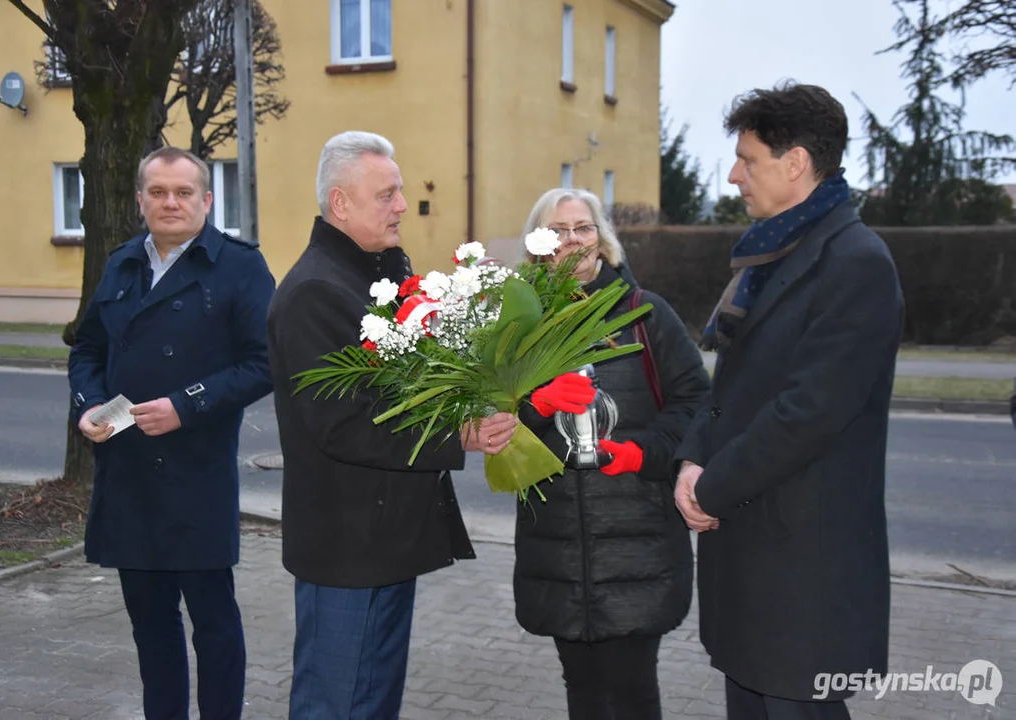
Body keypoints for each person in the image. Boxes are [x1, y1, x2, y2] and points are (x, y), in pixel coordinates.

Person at [672, 82, 905, 719]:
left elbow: (809, 412)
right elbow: (732, 388)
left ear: (795, 162)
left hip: (805, 567)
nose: (733, 174)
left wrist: (709, 487)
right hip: (755, 554)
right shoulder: (773, 255)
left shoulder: (855, 262)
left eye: (748, 159)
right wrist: (695, 458)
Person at [267, 130, 518, 720]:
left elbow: (401, 394)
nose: (402, 205)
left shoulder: (373, 276)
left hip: (379, 539)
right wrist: (457, 434)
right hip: (347, 548)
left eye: (400, 191)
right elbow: (342, 426)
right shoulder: (315, 293)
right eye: (387, 194)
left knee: (371, 702)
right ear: (341, 205)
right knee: (335, 703)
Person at [67, 146, 276, 720]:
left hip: (196, 474)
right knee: (151, 629)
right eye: (158, 192)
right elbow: (87, 349)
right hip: (129, 473)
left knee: (214, 628)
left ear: (207, 200)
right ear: (140, 201)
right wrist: (90, 405)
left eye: (184, 192)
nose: (171, 202)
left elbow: (266, 361)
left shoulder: (238, 266)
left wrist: (187, 405)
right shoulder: (122, 263)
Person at [512, 188, 711, 719]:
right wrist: (533, 404)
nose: (572, 240)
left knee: (631, 690)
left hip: (636, 536)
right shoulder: (517, 323)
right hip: (555, 541)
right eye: (557, 230)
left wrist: (641, 453)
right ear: (538, 244)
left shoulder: (646, 314)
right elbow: (494, 422)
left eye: (584, 227)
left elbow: (695, 401)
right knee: (582, 689)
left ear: (602, 239)